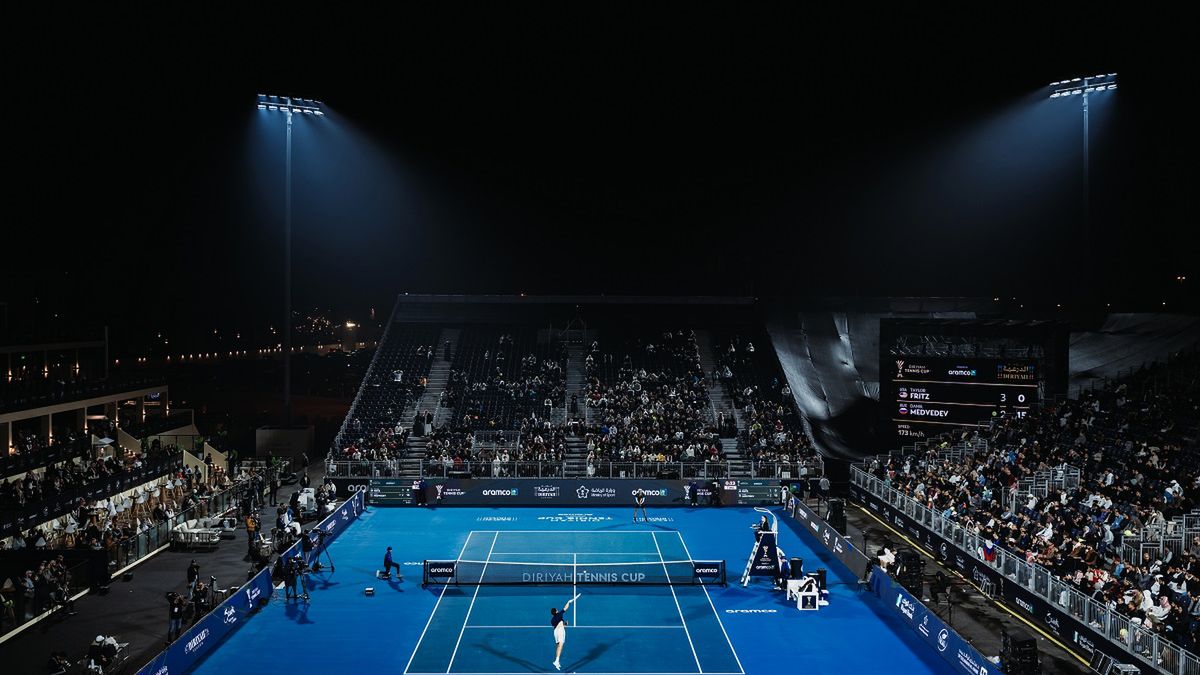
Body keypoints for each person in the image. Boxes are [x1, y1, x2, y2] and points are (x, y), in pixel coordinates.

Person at [550, 595, 579, 671]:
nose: (557, 610)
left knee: (558, 645)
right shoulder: (559, 614)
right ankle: (556, 661)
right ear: (556, 611)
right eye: (557, 610)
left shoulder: (552, 620)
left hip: (555, 632)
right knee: (561, 645)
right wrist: (569, 602)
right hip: (560, 631)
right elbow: (565, 608)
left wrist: (564, 624)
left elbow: (557, 625)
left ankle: (556, 660)